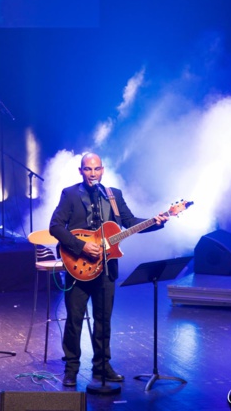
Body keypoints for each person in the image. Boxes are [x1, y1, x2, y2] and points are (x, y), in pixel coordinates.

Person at [49, 152, 169, 387]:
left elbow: (130, 222)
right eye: (87, 169)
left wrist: (156, 222)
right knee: (74, 319)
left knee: (103, 320)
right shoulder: (70, 194)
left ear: (103, 170)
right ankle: (71, 368)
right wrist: (82, 246)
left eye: (96, 169)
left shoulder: (113, 196)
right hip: (78, 267)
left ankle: (102, 366)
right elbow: (55, 226)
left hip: (106, 268)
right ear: (81, 171)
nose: (92, 173)